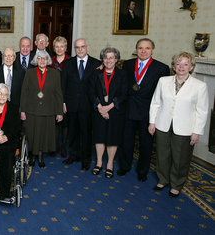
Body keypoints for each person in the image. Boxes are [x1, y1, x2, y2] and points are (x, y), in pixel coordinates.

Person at [149, 52, 209, 197]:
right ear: (174, 66)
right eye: (178, 64)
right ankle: (163, 179)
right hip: (163, 124)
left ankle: (176, 184)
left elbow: (202, 111)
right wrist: (152, 122)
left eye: (185, 64)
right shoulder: (163, 81)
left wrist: (197, 131)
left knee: (180, 157)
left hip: (185, 128)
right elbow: (155, 102)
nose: (181, 67)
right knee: (162, 154)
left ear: (191, 67)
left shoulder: (200, 86)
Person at [118, 38, 169, 181]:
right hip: (128, 109)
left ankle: (142, 170)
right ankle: (125, 166)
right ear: (136, 50)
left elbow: (162, 94)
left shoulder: (161, 68)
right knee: (126, 140)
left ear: (152, 50)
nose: (143, 51)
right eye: (140, 48)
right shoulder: (127, 64)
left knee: (146, 143)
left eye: (147, 48)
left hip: (148, 111)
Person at [61, 38, 102, 171]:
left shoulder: (96, 64)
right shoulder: (68, 63)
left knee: (86, 133)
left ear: (87, 47)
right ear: (74, 49)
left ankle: (86, 159)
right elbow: (63, 84)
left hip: (88, 105)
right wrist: (63, 102)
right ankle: (73, 155)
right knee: (72, 132)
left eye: (82, 47)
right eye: (77, 47)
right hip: (71, 104)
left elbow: (98, 86)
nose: (80, 49)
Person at [20, 50, 63, 168]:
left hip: (48, 110)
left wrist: (59, 112)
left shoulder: (55, 74)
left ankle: (40, 156)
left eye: (44, 58)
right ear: (36, 60)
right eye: (39, 58)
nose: (42, 61)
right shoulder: (29, 73)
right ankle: (32, 156)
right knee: (32, 133)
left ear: (48, 60)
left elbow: (58, 94)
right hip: (31, 109)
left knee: (44, 134)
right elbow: (24, 92)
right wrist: (22, 110)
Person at [89, 47, 128, 179]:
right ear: (102, 60)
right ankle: (99, 162)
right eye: (105, 57)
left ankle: (110, 163)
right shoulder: (96, 73)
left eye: (111, 57)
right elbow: (91, 92)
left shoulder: (122, 74)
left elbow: (124, 94)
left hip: (115, 112)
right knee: (99, 136)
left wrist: (109, 107)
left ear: (116, 59)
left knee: (113, 137)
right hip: (98, 110)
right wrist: (100, 107)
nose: (108, 60)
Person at [50, 36, 70, 158]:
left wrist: (65, 102)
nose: (59, 49)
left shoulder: (71, 62)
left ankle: (63, 147)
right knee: (54, 124)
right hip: (52, 97)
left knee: (65, 125)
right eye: (57, 46)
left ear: (66, 48)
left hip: (66, 96)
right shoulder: (50, 61)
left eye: (61, 46)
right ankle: (54, 146)